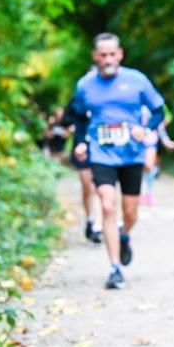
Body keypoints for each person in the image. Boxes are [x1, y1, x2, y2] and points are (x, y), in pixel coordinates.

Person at [71, 33, 166, 289]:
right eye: (103, 55)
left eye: (112, 54)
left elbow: (159, 110)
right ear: (95, 56)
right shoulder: (85, 85)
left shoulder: (137, 80)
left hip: (131, 154)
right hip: (101, 154)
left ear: (120, 54)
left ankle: (124, 235)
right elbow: (79, 116)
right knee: (107, 204)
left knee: (130, 212)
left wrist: (146, 130)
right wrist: (81, 141)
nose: (108, 59)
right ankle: (115, 268)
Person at [63, 75, 102, 244]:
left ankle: (99, 226)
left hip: (103, 147)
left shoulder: (107, 99)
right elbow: (66, 118)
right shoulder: (79, 98)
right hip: (82, 147)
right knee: (88, 186)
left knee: (101, 187)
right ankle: (89, 218)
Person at [139, 104, 174, 206]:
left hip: (150, 141)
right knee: (137, 168)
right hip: (136, 142)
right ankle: (138, 193)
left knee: (149, 166)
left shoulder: (153, 106)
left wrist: (166, 140)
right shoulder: (133, 104)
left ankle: (149, 193)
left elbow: (159, 125)